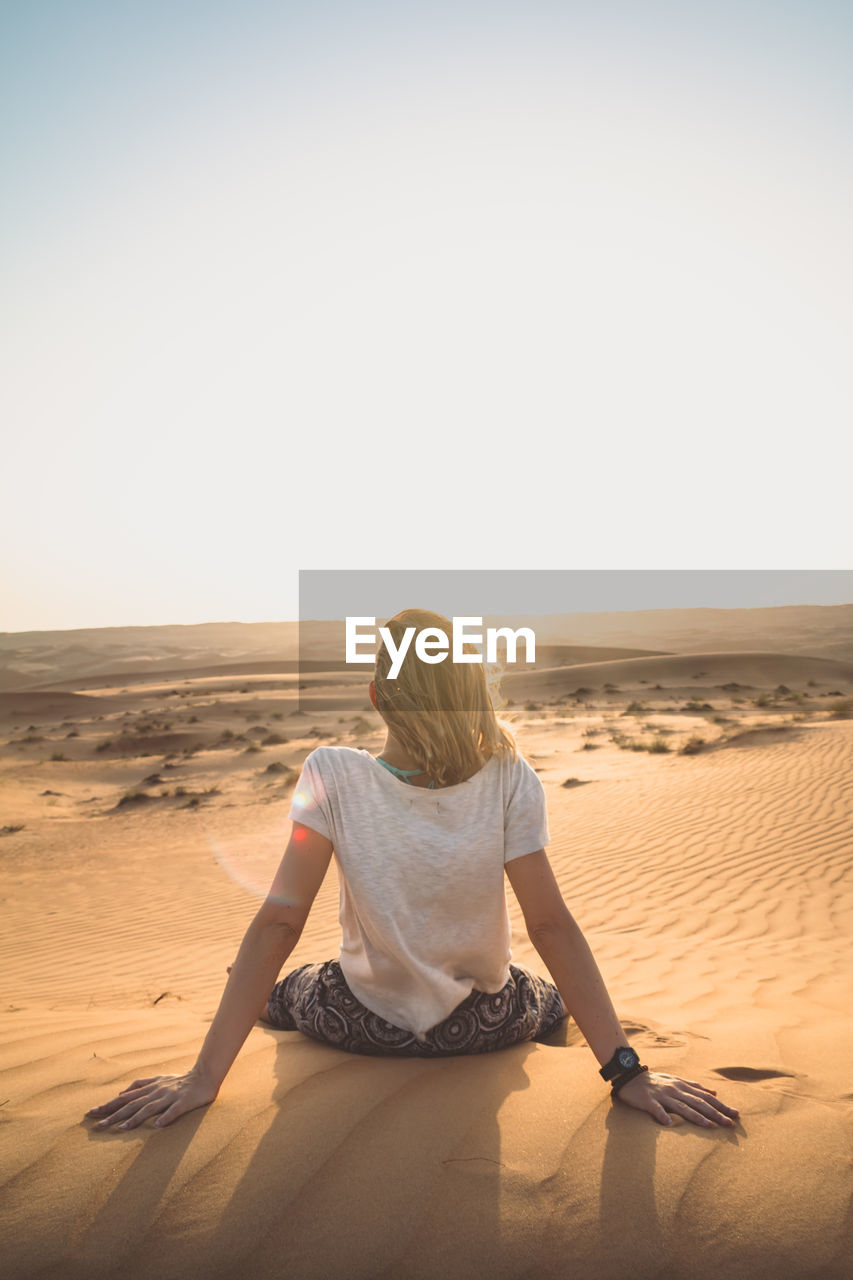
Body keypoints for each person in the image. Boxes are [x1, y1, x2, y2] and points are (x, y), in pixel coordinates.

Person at [87, 608, 739, 1132]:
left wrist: (203, 1078)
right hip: (482, 1025)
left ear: (376, 696)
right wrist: (626, 1071)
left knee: (292, 983)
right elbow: (551, 926)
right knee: (546, 992)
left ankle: (259, 994)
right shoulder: (510, 778)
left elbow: (280, 919)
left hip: (359, 1023)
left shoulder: (330, 772)